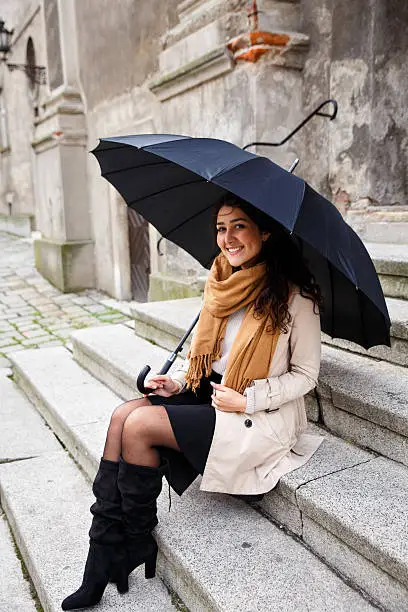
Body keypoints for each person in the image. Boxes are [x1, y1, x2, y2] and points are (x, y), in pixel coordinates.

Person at [61, 194, 323, 610]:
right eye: (221, 228)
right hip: (209, 396)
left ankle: (129, 544)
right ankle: (109, 551)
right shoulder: (221, 284)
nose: (228, 238)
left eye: (239, 225)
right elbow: (205, 362)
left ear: (265, 233)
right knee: (122, 415)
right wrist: (177, 382)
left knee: (140, 426)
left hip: (255, 415)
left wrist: (250, 398)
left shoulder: (295, 299)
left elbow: (307, 376)